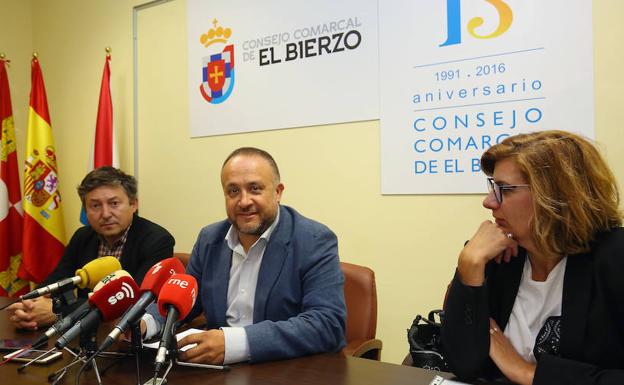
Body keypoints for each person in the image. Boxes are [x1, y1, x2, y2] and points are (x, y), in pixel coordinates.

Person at [441, 130, 624, 385]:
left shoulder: (615, 258)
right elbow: (464, 365)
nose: (488, 202)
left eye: (504, 189)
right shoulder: (495, 256)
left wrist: (527, 373)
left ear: (558, 196)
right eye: (493, 187)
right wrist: (469, 266)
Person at [143, 147, 346, 364]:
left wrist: (233, 343)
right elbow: (184, 299)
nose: (244, 201)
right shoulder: (210, 238)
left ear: (278, 192)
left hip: (281, 368)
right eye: (233, 191)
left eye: (255, 189)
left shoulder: (314, 240)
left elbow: (328, 324)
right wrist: (146, 322)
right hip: (215, 370)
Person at [8, 166, 175, 330]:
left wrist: (59, 311)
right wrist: (29, 307)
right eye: (95, 206)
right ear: (86, 210)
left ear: (133, 204)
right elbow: (58, 280)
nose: (106, 213)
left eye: (114, 203)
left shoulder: (157, 241)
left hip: (126, 336)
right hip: (83, 334)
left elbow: (133, 300)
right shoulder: (83, 237)